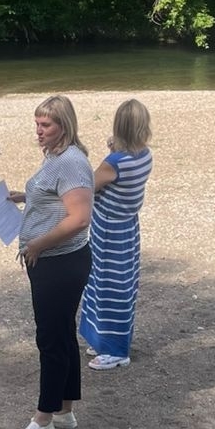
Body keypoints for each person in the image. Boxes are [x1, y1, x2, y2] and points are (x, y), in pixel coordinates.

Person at [8, 95, 94, 429]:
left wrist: (39, 244)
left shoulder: (72, 162)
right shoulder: (55, 157)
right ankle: (66, 409)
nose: (39, 131)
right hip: (50, 260)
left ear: (64, 126)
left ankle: (43, 418)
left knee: (50, 338)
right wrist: (24, 197)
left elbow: (80, 216)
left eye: (46, 125)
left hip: (59, 262)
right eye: (37, 124)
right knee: (61, 334)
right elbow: (55, 199)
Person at [79, 99, 154, 370]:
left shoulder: (113, 163)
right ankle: (104, 339)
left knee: (110, 285)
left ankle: (116, 350)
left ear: (118, 127)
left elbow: (87, 187)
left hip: (109, 231)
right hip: (128, 228)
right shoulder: (145, 155)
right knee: (115, 281)